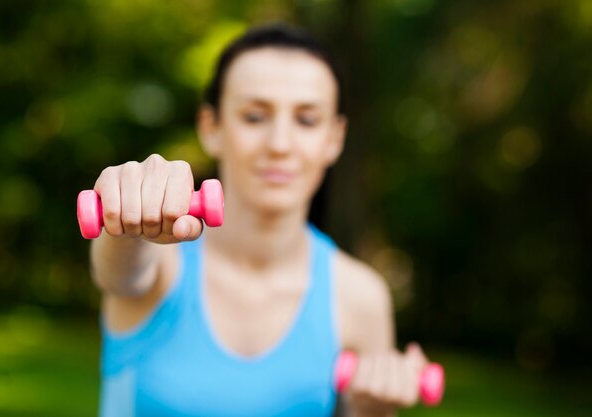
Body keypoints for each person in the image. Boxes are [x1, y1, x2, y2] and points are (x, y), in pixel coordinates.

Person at [90, 23, 430, 417]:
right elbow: (120, 274)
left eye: (306, 120)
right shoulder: (163, 260)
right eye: (254, 116)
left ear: (334, 139)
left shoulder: (360, 296)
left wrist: (370, 410)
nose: (280, 144)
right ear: (211, 127)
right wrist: (128, 228)